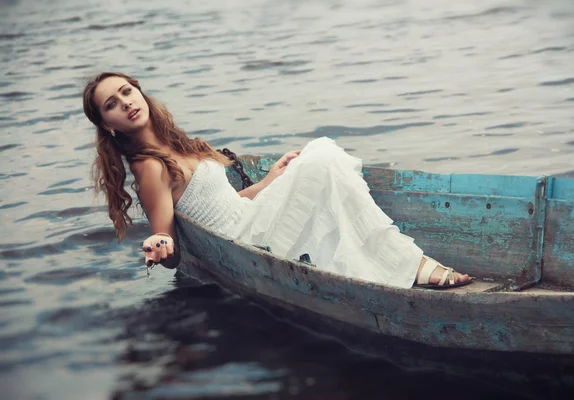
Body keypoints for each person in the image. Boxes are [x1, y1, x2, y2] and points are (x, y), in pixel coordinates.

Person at [82, 72, 473, 290]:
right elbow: (168, 244)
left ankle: (394, 258)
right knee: (322, 154)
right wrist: (160, 245)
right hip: (247, 239)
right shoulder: (150, 167)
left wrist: (269, 180)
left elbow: (223, 204)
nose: (126, 102)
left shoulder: (175, 145)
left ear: (141, 93)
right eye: (111, 104)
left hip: (248, 218)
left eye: (127, 91)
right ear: (106, 125)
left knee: (319, 157)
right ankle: (407, 262)